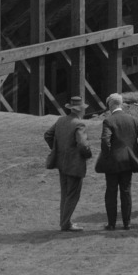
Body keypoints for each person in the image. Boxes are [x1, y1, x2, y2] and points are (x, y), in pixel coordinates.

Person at [96, 92, 138, 230]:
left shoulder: (108, 121)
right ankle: (127, 223)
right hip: (128, 161)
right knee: (126, 191)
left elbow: (105, 141)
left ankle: (111, 224)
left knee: (111, 192)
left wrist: (107, 157)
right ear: (121, 104)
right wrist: (137, 154)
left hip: (113, 163)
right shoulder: (132, 119)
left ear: (110, 105)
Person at [43, 96, 93, 232]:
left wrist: (56, 149)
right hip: (74, 164)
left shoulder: (61, 120)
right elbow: (82, 144)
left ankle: (64, 221)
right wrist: (87, 154)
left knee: (65, 194)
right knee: (73, 194)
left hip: (61, 163)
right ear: (80, 110)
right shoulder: (79, 124)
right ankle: (65, 223)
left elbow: (48, 135)